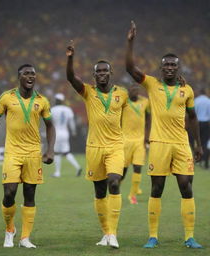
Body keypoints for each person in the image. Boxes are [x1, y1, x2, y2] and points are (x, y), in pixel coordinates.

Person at [126, 21, 203, 248]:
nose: (170, 68)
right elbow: (130, 69)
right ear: (161, 68)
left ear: (178, 68)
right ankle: (153, 236)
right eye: (166, 65)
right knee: (157, 188)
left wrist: (197, 143)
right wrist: (130, 43)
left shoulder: (186, 90)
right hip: (159, 143)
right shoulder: (151, 84)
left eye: (173, 65)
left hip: (181, 144)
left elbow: (193, 118)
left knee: (186, 186)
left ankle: (189, 237)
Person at [0, 64, 55, 248]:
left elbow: (50, 126)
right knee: (9, 193)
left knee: (30, 194)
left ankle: (25, 238)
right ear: (19, 76)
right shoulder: (7, 97)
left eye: (33, 74)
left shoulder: (42, 101)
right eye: (26, 73)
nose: (30, 76)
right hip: (12, 152)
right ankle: (9, 230)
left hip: (33, 153)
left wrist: (50, 149)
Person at [66, 43, 128, 249]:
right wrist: (70, 58)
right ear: (94, 76)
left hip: (116, 147)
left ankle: (113, 234)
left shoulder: (123, 94)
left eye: (105, 70)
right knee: (100, 192)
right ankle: (106, 233)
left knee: (114, 183)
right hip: (94, 148)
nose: (102, 74)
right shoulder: (88, 92)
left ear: (111, 73)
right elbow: (71, 78)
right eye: (98, 71)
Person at [121, 84, 150, 204]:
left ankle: (132, 195)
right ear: (128, 91)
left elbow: (149, 118)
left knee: (138, 167)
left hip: (140, 140)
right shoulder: (124, 102)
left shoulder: (145, 101)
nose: (135, 92)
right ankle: (114, 191)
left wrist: (147, 136)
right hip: (125, 141)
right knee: (123, 171)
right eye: (133, 90)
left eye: (137, 90)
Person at [51, 93, 82, 177]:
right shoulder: (68, 109)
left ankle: (57, 173)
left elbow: (50, 123)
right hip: (65, 133)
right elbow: (71, 123)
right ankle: (78, 167)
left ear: (56, 100)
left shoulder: (53, 110)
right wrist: (74, 132)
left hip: (56, 133)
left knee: (57, 153)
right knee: (66, 152)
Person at [194, 88, 210, 169]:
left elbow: (193, 114)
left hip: (197, 123)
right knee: (205, 142)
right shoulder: (208, 101)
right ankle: (204, 159)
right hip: (206, 123)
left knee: (197, 141)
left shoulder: (196, 100)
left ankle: (198, 159)